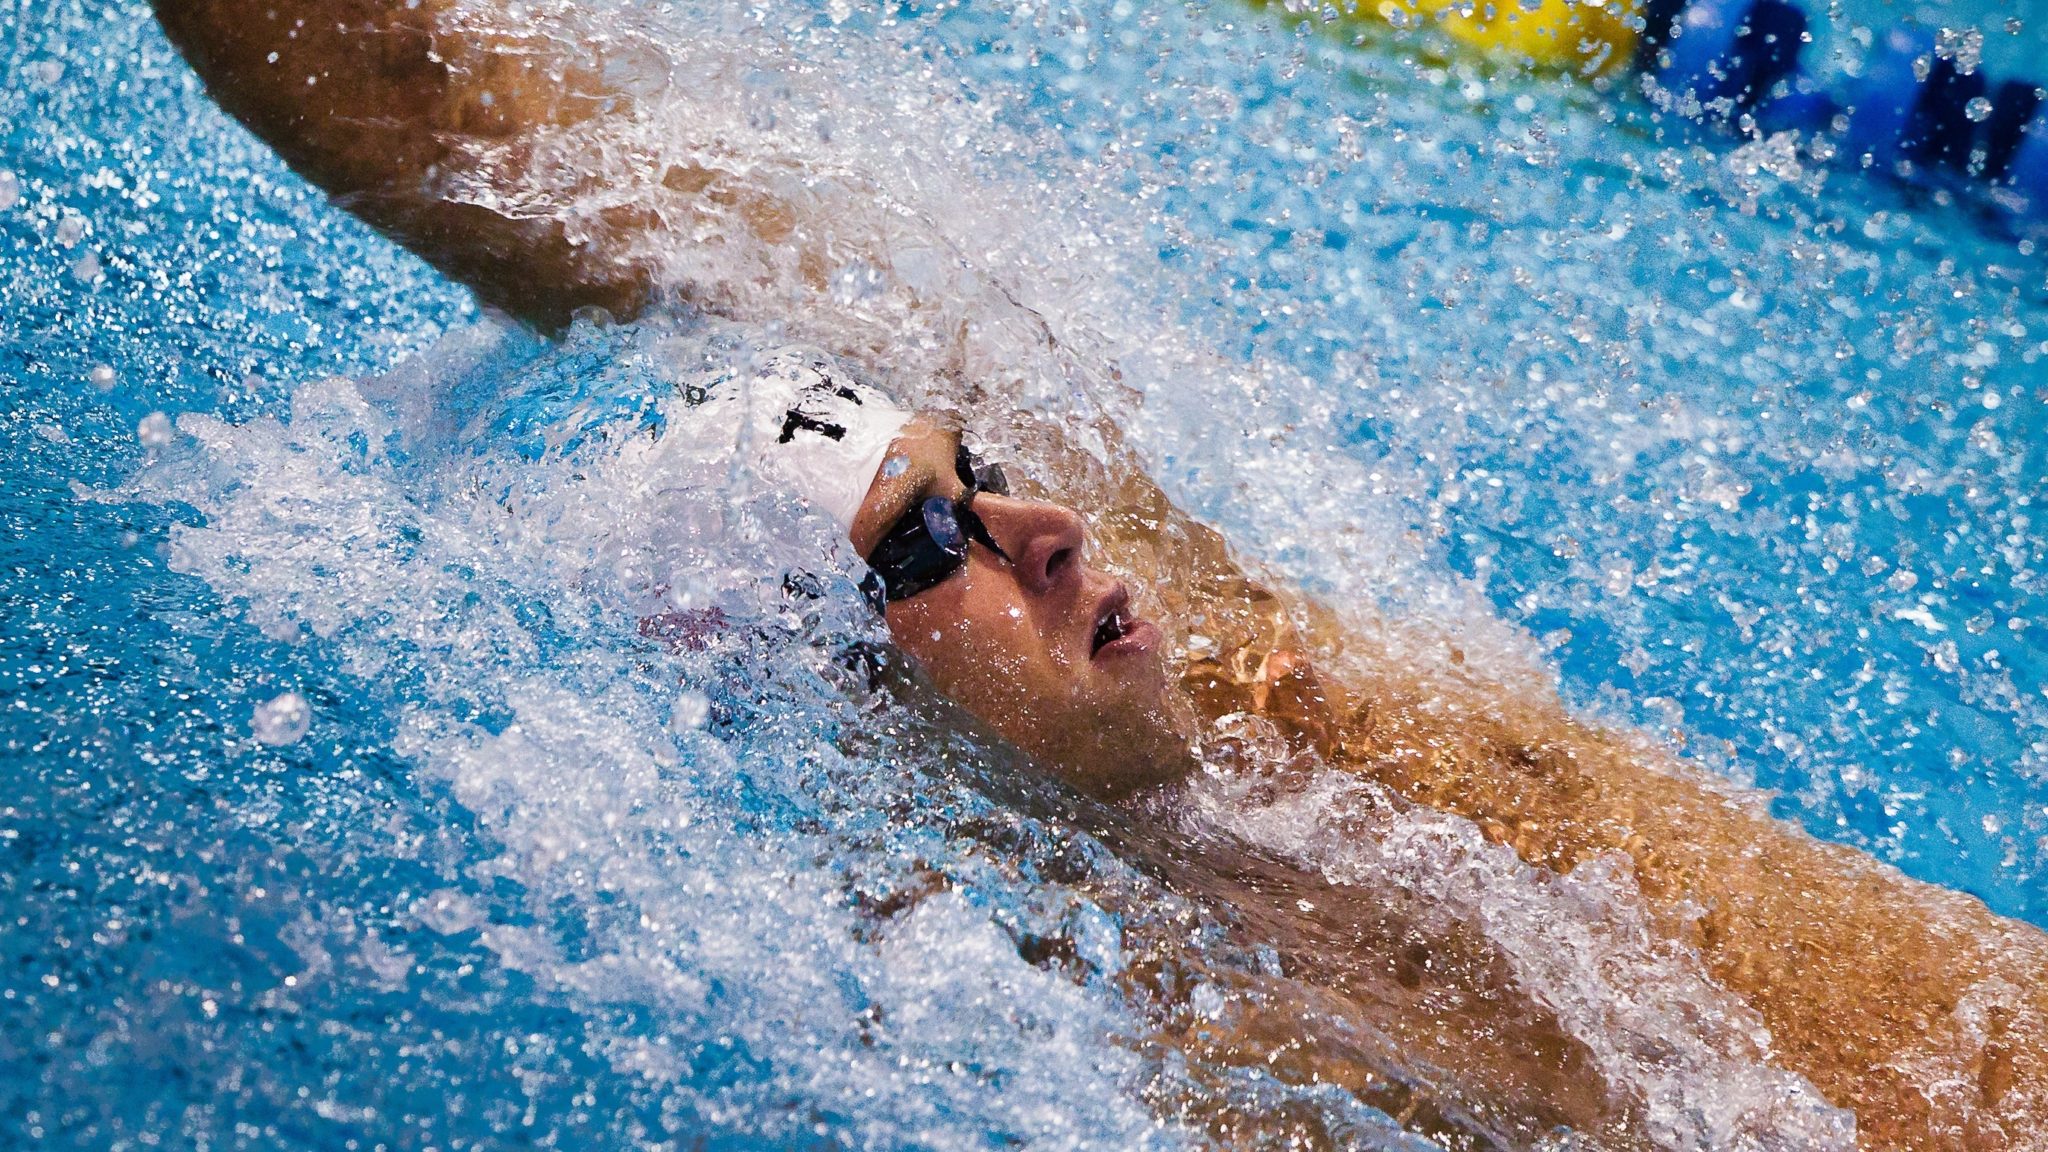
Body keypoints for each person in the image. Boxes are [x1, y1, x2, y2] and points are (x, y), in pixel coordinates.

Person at [152, 2, 2048, 1148]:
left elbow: (460, 121)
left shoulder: (1230, 646)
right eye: (925, 547)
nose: (1037, 526)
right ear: (842, 703)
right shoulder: (1153, 1041)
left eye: (977, 473)